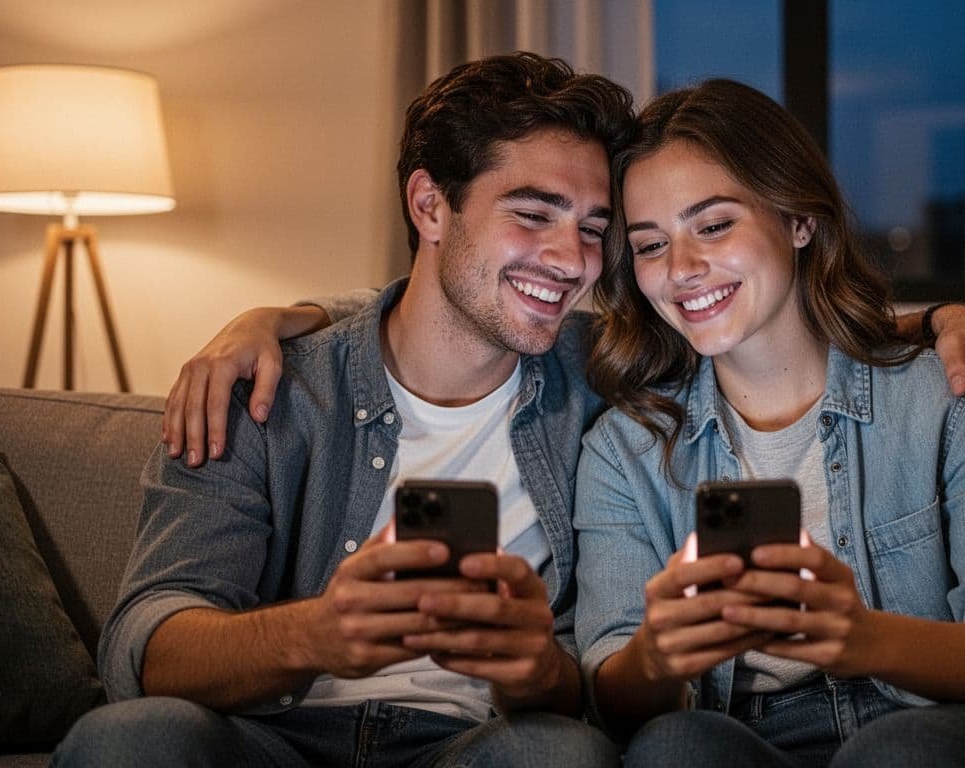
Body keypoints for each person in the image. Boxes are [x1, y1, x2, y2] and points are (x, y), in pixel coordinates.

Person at [54, 52, 634, 767]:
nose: (572, 260)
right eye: (533, 214)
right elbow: (149, 644)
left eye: (591, 228)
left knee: (562, 756)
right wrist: (316, 634)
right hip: (272, 740)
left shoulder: (605, 381)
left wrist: (538, 671)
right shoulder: (263, 389)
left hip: (474, 745)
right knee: (129, 740)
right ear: (430, 206)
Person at [571, 79, 965, 767]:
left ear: (799, 220)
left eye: (713, 226)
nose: (681, 269)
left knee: (899, 753)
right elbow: (607, 690)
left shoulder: (949, 396)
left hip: (947, 721)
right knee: (672, 747)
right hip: (754, 736)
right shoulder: (625, 450)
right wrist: (653, 657)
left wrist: (864, 640)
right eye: (651, 246)